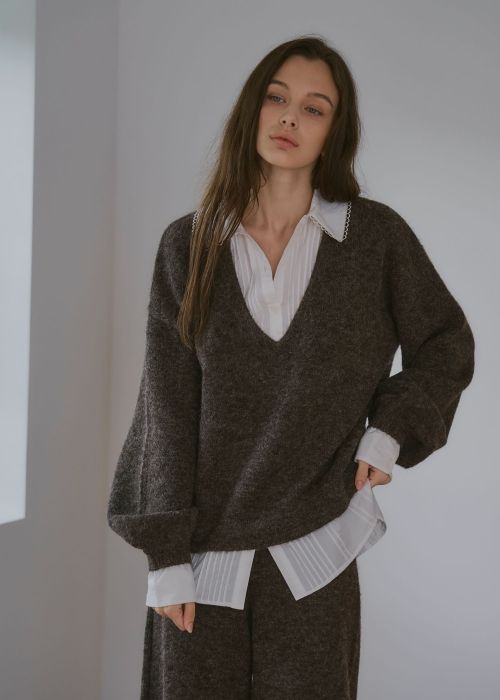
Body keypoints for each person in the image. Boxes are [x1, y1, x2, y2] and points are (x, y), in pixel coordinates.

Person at [107, 35, 475, 699]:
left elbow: (446, 343)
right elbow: (165, 406)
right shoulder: (189, 246)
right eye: (276, 98)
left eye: (313, 108)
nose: (288, 118)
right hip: (198, 561)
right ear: (252, 108)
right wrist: (165, 555)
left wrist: (390, 432)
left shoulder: (374, 240)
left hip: (316, 552)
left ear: (335, 130)